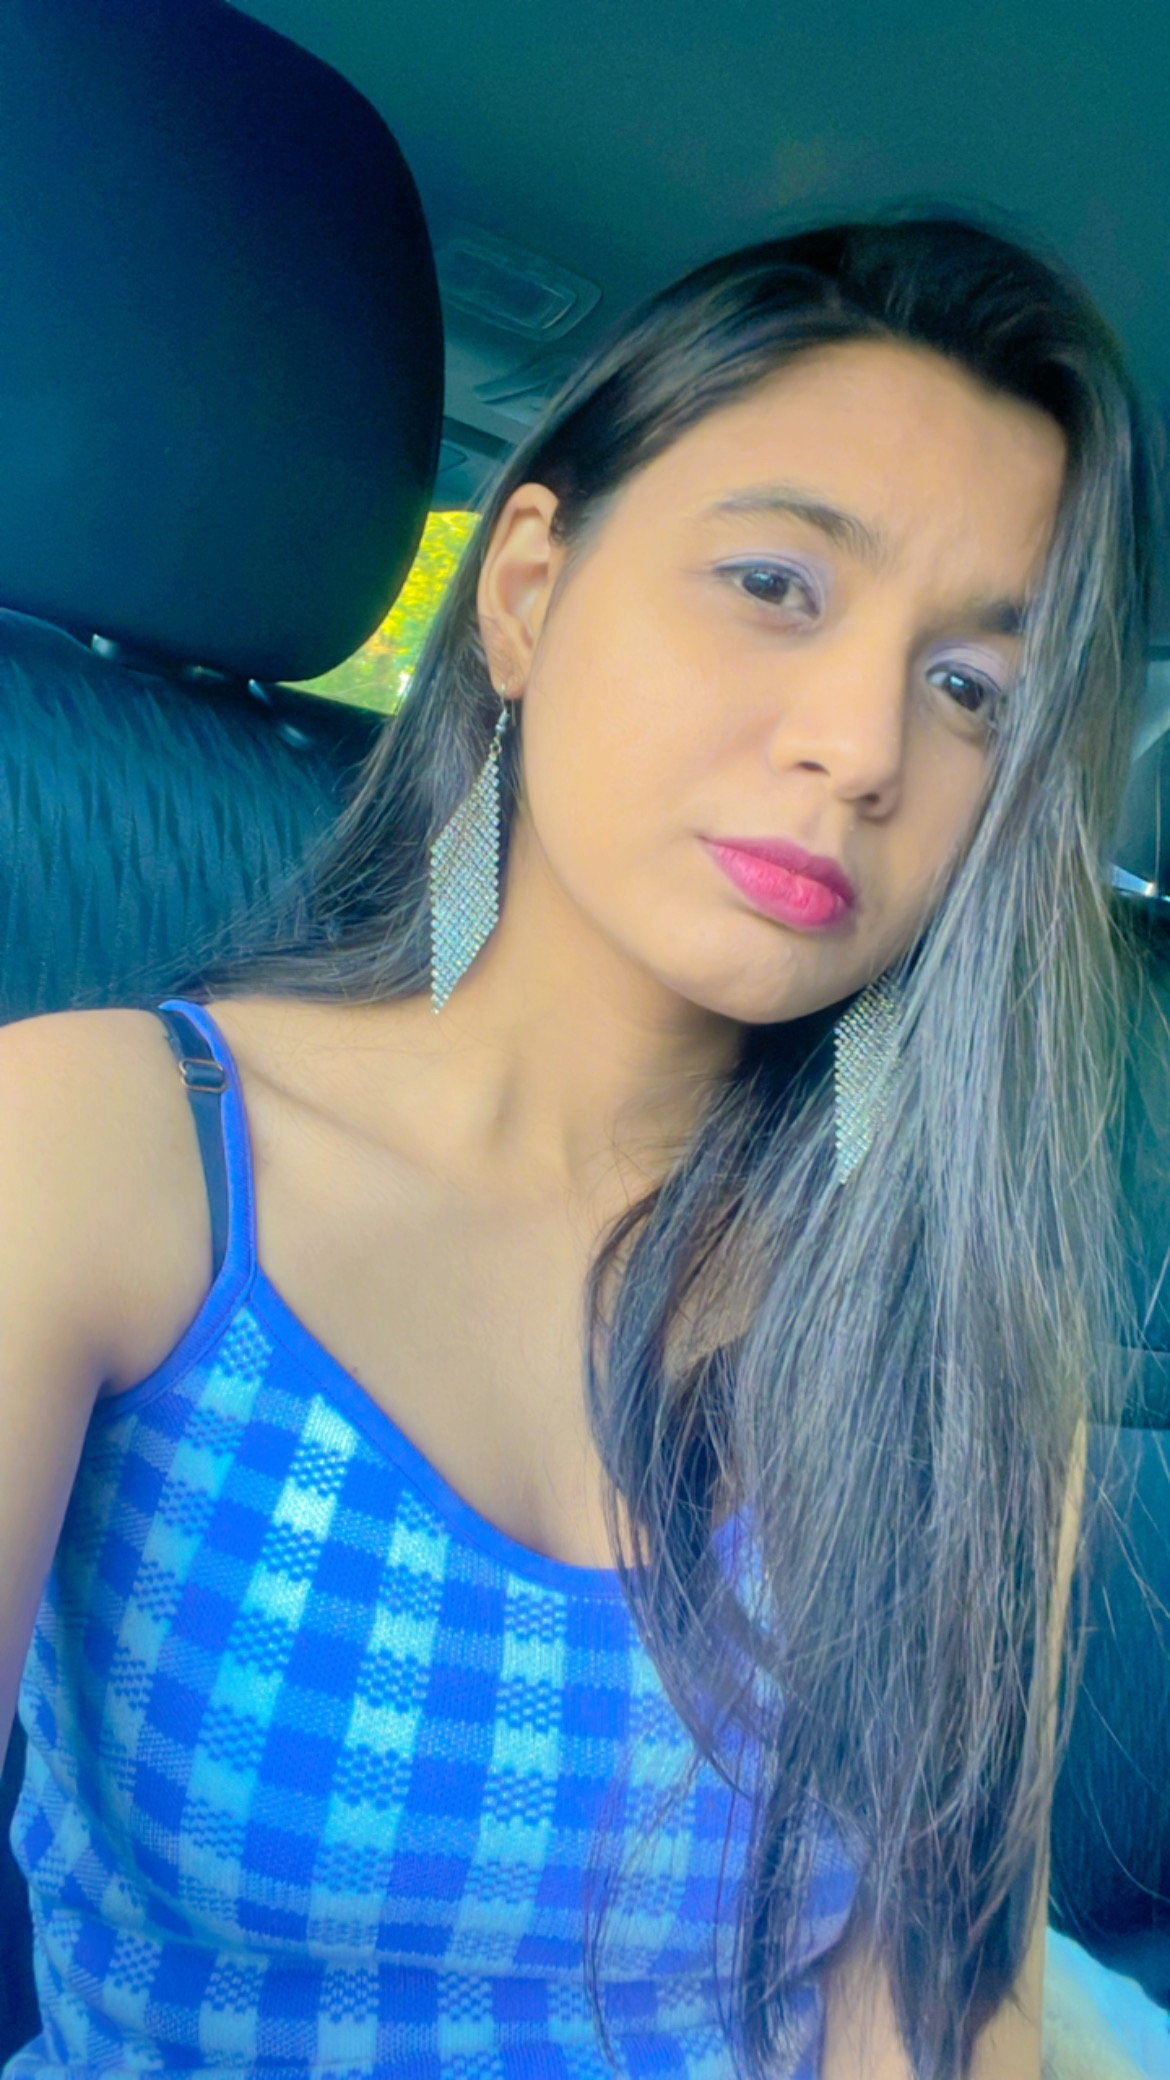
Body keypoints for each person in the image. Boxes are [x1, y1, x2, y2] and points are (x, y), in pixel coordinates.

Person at [0, 216, 1160, 2080]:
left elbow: (928, 2029)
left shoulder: (950, 1340)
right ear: (527, 590)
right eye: (775, 583)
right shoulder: (92, 1150)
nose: (861, 744)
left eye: (971, 692)